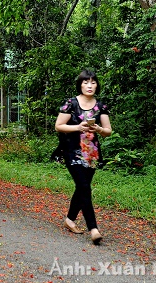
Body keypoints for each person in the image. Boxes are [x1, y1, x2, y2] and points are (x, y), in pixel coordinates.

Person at [54, 69, 112, 245]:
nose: (89, 85)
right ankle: (93, 229)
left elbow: (108, 131)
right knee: (84, 186)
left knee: (82, 188)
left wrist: (99, 130)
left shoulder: (100, 106)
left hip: (92, 153)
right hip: (71, 150)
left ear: (97, 85)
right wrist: (78, 127)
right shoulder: (70, 103)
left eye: (93, 82)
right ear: (80, 84)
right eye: (86, 82)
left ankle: (70, 219)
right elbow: (59, 126)